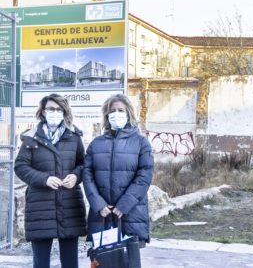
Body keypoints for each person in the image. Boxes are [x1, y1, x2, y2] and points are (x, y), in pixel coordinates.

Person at [14, 93, 86, 268]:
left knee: (70, 262)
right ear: (43, 111)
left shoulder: (74, 136)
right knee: (41, 262)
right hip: (40, 205)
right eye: (50, 109)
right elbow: (20, 166)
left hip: (69, 205)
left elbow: (84, 164)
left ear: (64, 112)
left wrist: (76, 175)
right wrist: (44, 179)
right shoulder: (31, 138)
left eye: (58, 109)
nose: (54, 112)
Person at [83, 93, 154, 268]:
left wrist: (124, 204)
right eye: (112, 111)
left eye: (120, 110)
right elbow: (87, 175)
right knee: (103, 263)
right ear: (107, 116)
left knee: (130, 263)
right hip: (102, 215)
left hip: (130, 214)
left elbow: (144, 175)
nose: (116, 113)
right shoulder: (96, 144)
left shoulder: (141, 143)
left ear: (128, 113)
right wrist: (98, 204)